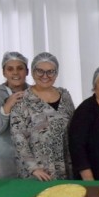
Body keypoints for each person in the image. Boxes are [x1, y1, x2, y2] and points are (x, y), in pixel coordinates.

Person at [10, 52, 75, 180]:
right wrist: (33, 168)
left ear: (56, 74)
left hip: (66, 166)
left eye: (51, 72)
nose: (45, 76)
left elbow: (75, 127)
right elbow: (18, 137)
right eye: (40, 71)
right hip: (40, 171)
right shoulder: (22, 100)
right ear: (33, 72)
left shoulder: (65, 95)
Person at [0, 52, 30, 178]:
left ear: (27, 71)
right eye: (10, 69)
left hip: (34, 158)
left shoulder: (34, 93)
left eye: (20, 68)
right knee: (12, 193)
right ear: (4, 73)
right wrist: (6, 107)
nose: (15, 73)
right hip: (7, 158)